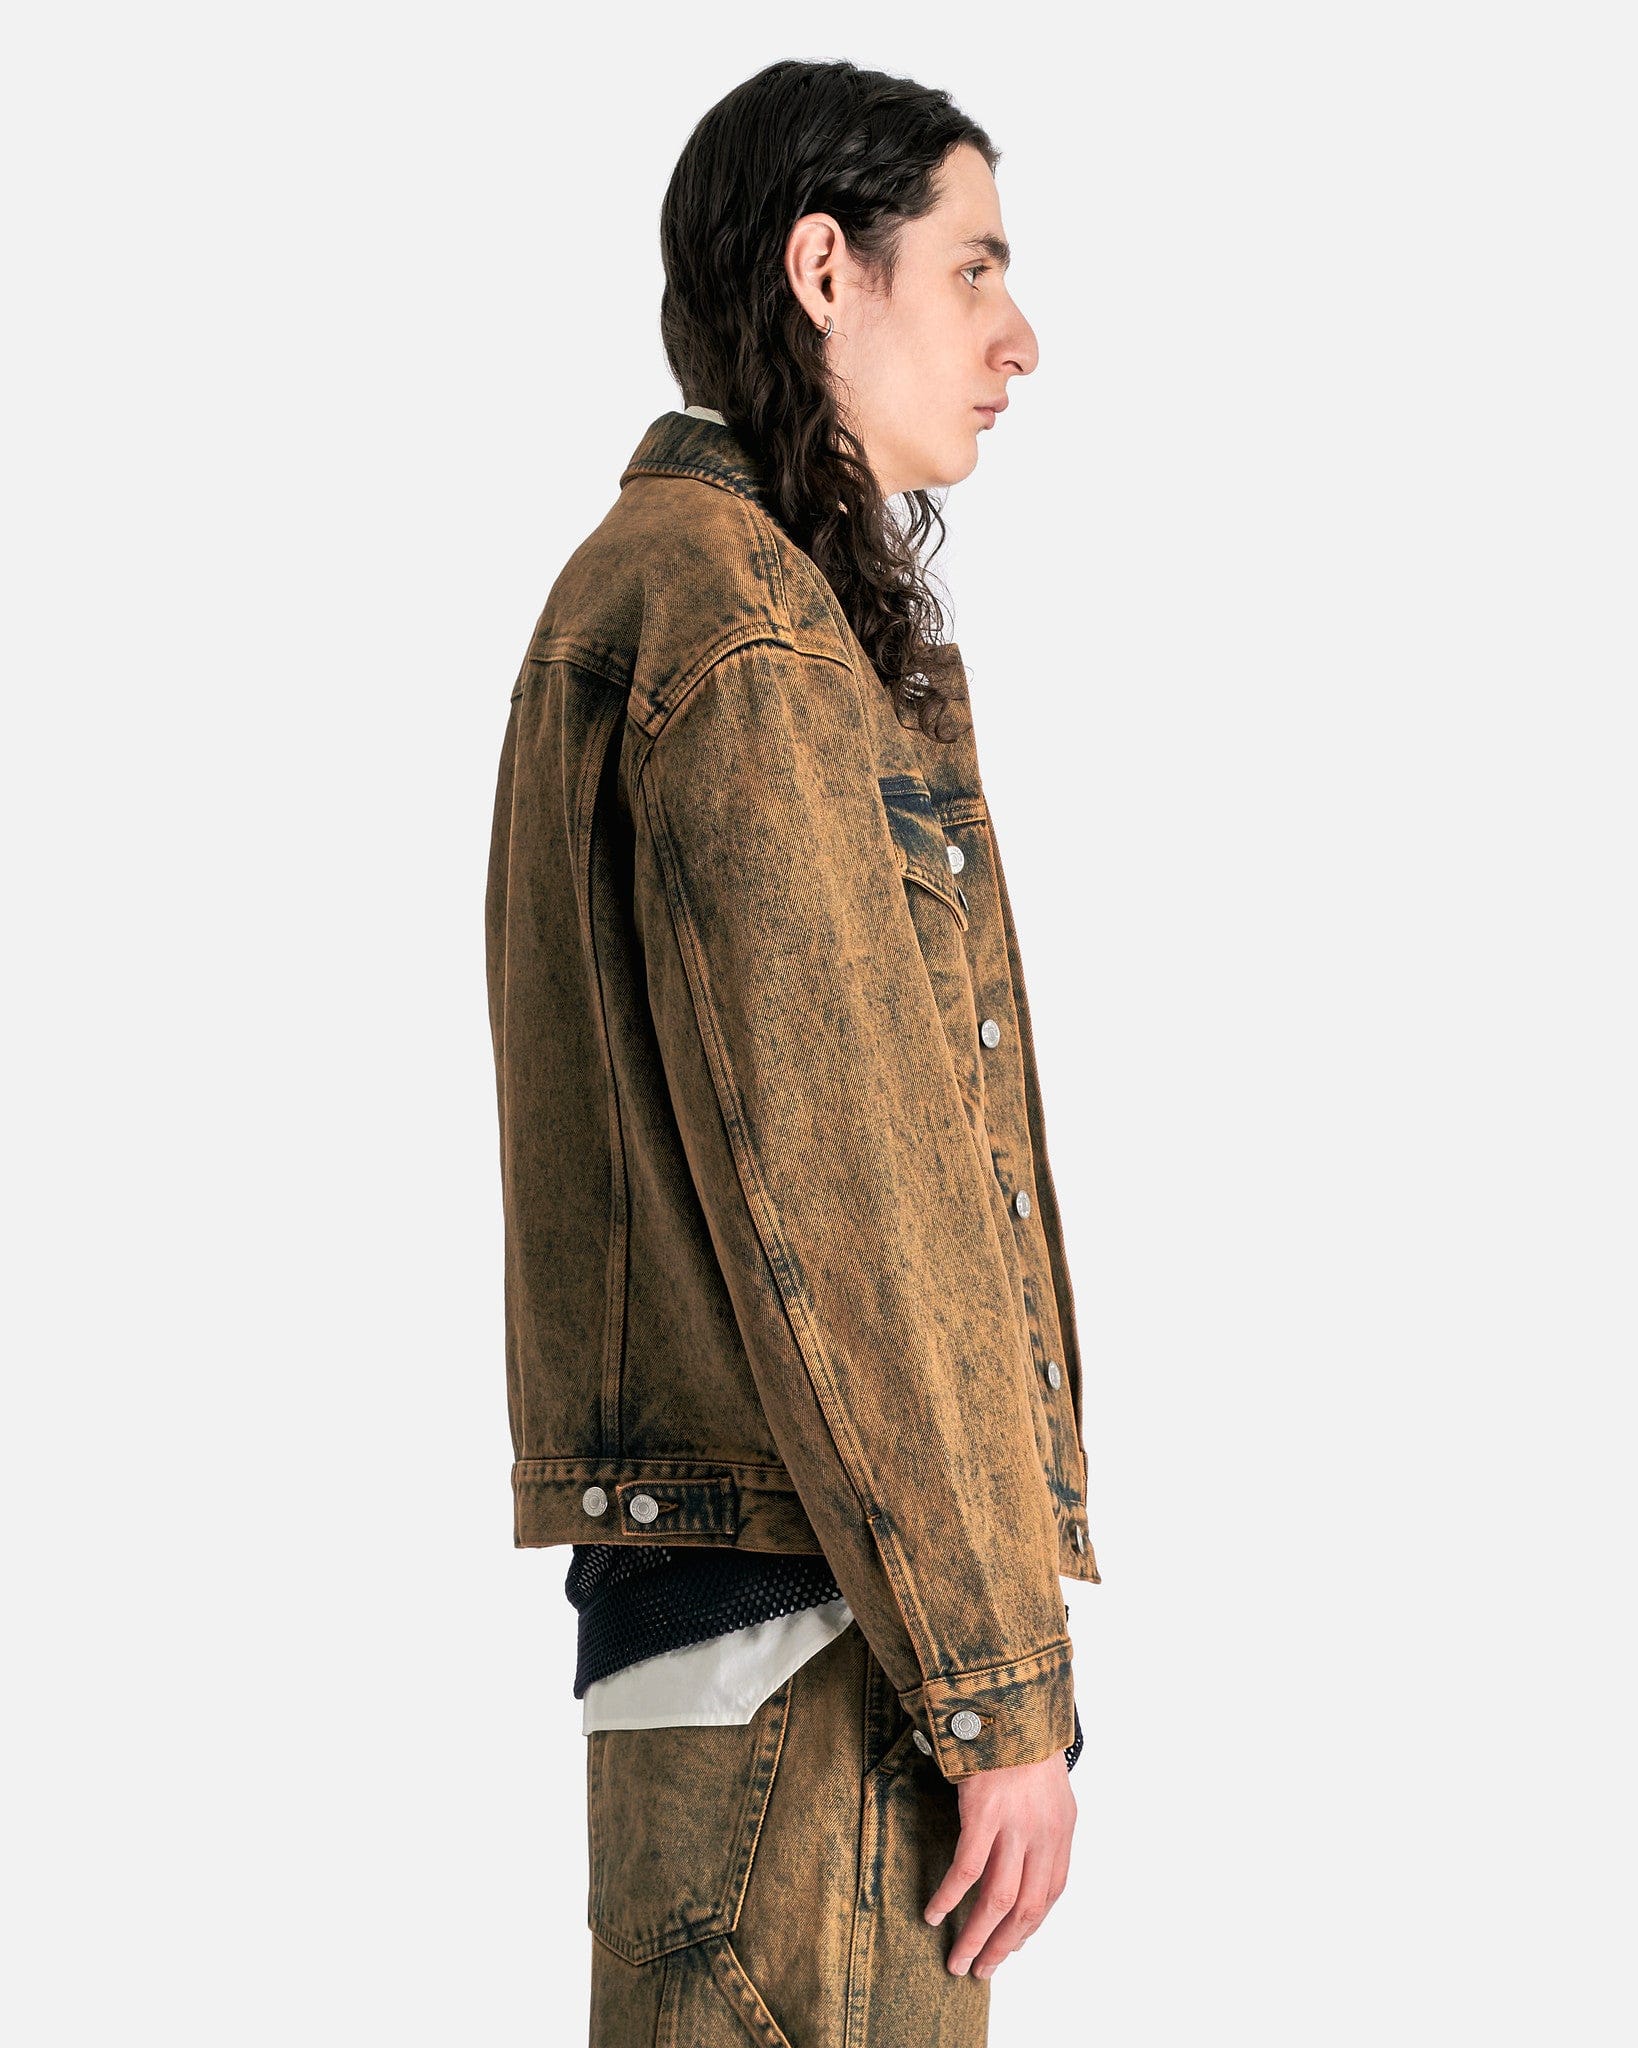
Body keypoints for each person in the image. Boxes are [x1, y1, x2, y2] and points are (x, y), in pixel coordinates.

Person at [484, 57, 1101, 2045]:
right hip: (816, 1661)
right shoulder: (739, 628)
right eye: (974, 265)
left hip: (776, 1643)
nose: (1019, 335)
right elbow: (847, 1200)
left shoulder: (723, 603)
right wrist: (996, 1687)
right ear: (825, 271)